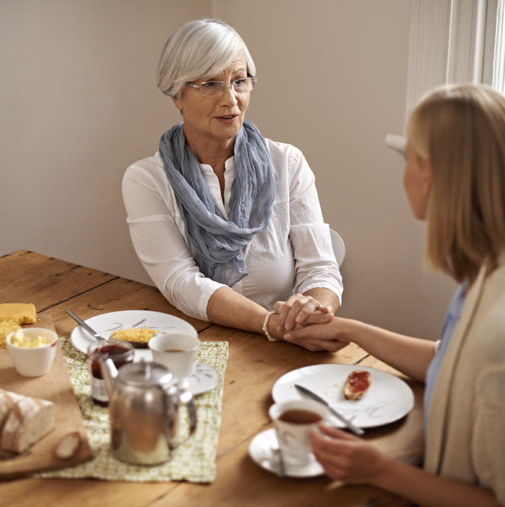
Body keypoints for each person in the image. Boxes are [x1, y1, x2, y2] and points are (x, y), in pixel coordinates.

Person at [282, 84, 505, 506]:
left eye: (408, 157)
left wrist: (380, 469)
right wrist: (350, 330)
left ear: (428, 175)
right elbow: (456, 362)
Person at [122, 19, 345, 351]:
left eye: (239, 81)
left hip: (287, 342)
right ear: (176, 94)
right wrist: (268, 324)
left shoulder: (288, 162)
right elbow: (181, 281)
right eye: (211, 84)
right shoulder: (145, 179)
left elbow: (321, 267)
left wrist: (313, 311)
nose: (231, 99)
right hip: (195, 343)